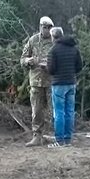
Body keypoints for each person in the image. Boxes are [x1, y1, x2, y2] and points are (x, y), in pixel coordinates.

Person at [20, 16, 54, 147]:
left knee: (53, 110)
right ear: (40, 27)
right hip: (36, 80)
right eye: (44, 27)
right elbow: (22, 59)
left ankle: (53, 135)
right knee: (37, 110)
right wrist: (28, 61)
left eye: (48, 27)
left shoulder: (54, 40)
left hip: (51, 80)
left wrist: (50, 65)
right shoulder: (32, 40)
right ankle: (37, 136)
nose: (46, 30)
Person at [46, 27, 82, 147]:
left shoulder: (53, 50)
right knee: (70, 111)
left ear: (53, 37)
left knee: (59, 112)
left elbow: (51, 70)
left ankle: (59, 140)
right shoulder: (74, 48)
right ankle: (67, 139)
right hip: (71, 82)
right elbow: (79, 67)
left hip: (58, 84)